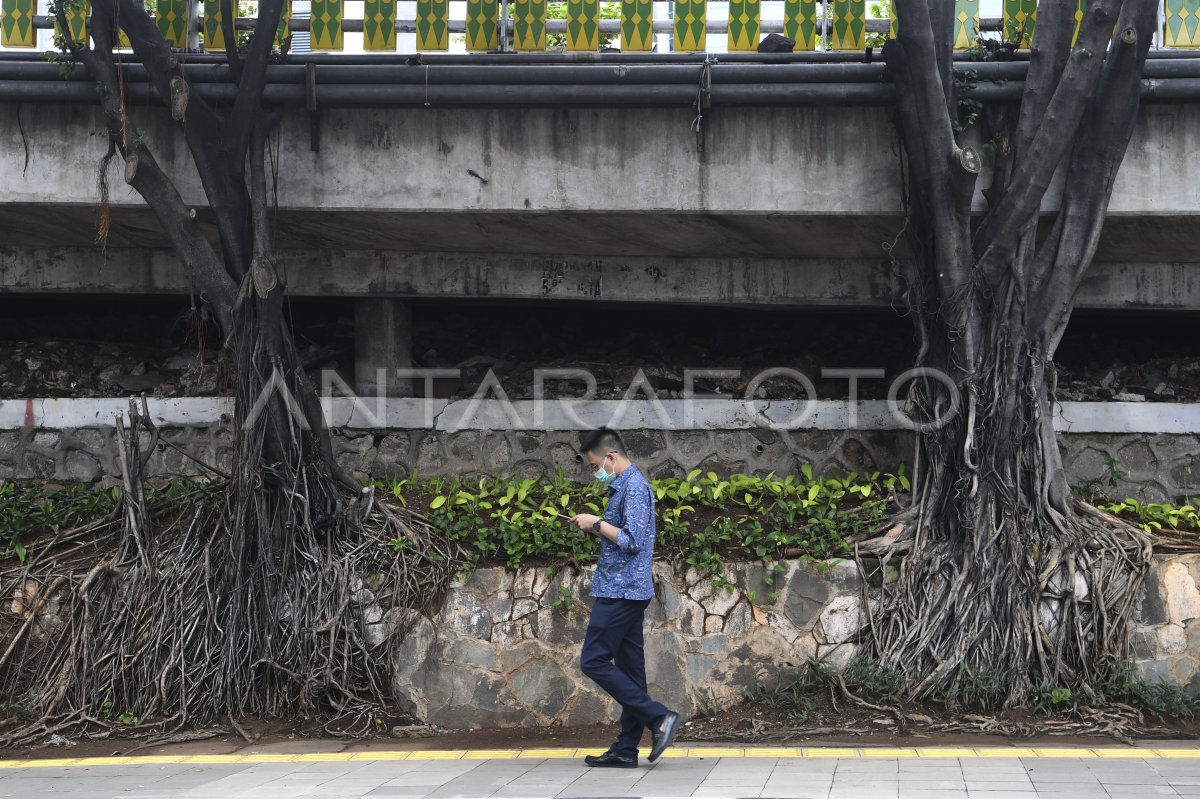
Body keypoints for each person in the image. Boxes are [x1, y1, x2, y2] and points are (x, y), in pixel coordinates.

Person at [570, 427, 681, 768]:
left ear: (611, 457)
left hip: (621, 590)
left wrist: (595, 522)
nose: (595, 473)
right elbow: (624, 540)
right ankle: (625, 749)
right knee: (631, 673)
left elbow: (632, 540)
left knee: (593, 660)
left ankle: (660, 718)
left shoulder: (634, 488)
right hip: (625, 588)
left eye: (595, 466)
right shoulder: (626, 487)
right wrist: (595, 527)